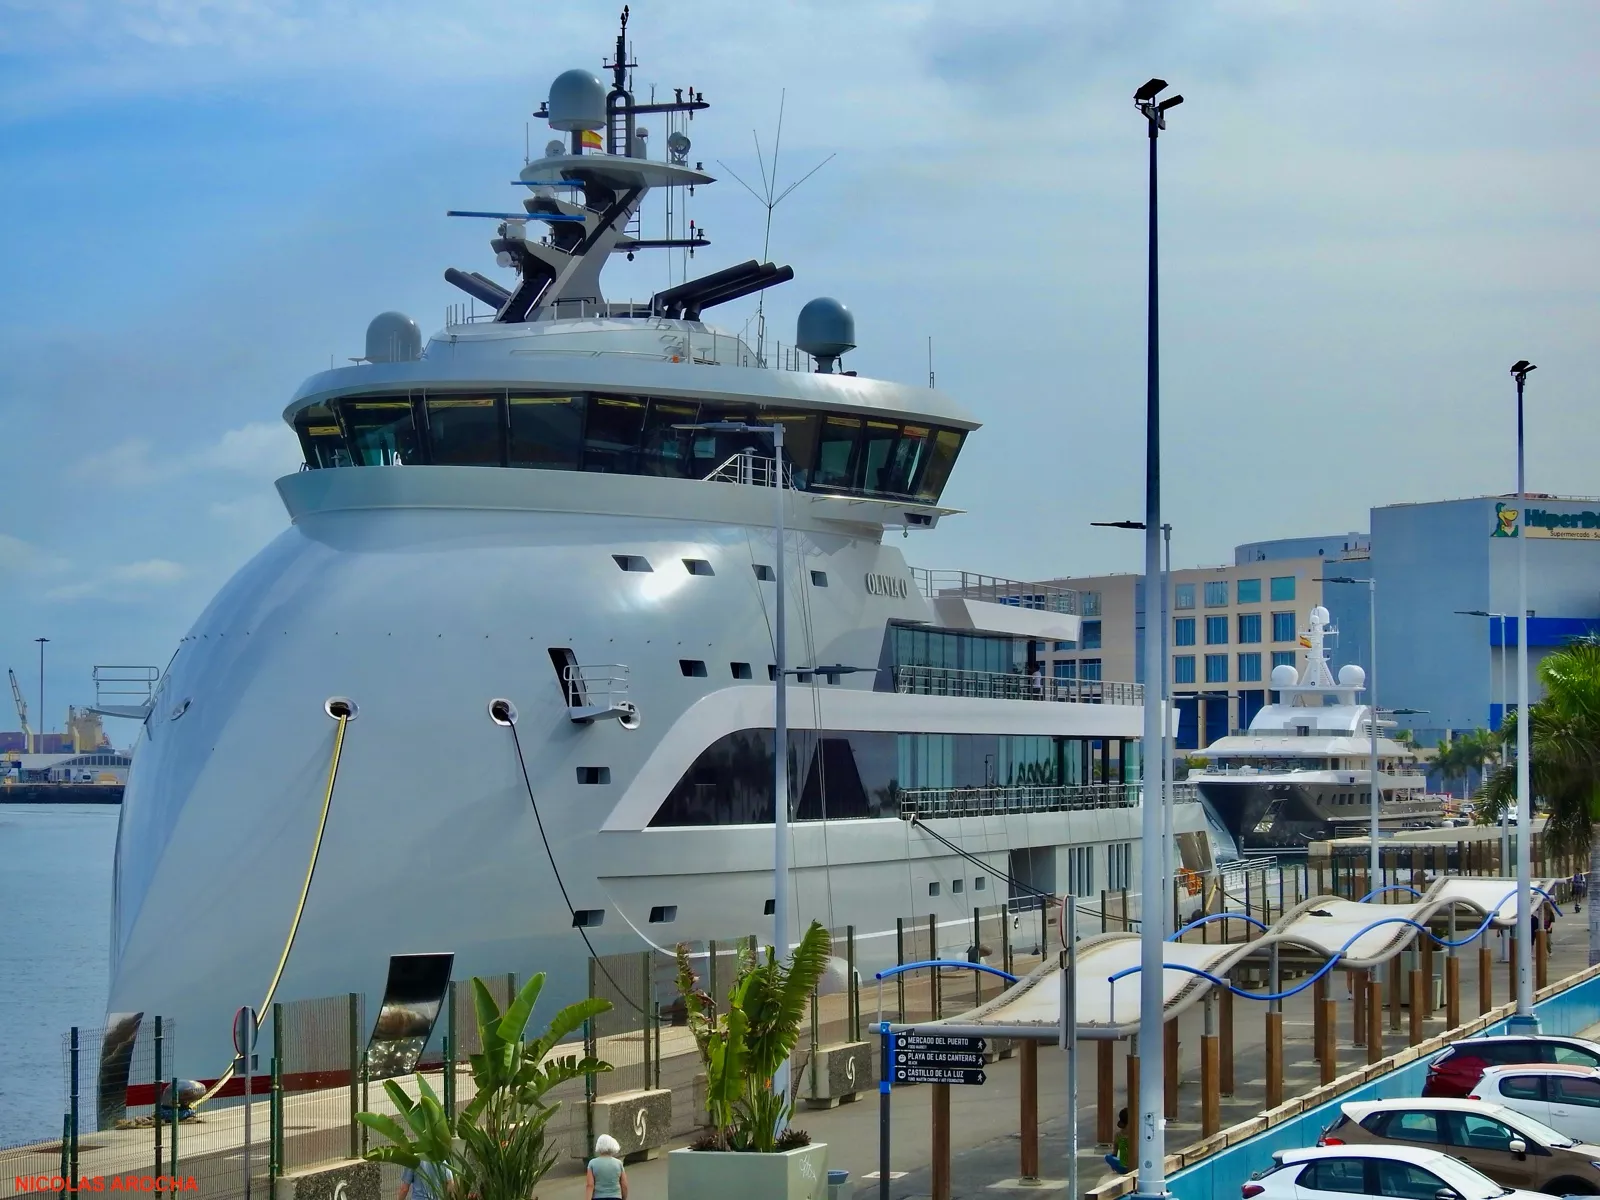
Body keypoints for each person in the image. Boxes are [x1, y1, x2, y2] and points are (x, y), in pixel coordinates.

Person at [587, 1134, 628, 1200]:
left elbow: (590, 1185)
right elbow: (624, 1185)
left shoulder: (592, 1163)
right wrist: (624, 1197)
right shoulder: (618, 1163)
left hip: (598, 1197)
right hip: (616, 1197)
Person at [1104, 1107, 1131, 1173]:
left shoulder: (1118, 1135)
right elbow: (1115, 1152)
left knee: (1108, 1157)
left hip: (1124, 1166)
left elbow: (1114, 1153)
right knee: (1108, 1157)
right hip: (1128, 1166)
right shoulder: (1136, 1134)